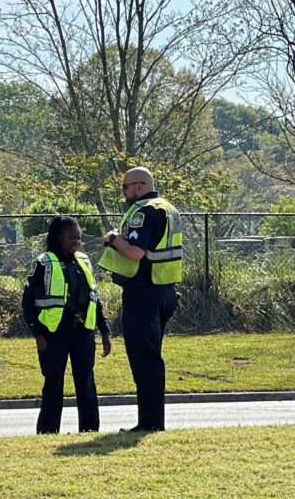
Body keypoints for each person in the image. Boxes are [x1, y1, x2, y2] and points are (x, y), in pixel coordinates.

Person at [98, 167, 182, 432]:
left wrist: (113, 238)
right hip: (165, 289)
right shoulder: (169, 208)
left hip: (144, 293)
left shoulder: (143, 211)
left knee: (144, 360)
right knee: (152, 357)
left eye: (124, 188)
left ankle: (149, 423)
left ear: (138, 186)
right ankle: (152, 420)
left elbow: (135, 252)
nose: (123, 193)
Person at [22, 215, 112, 434]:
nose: (77, 242)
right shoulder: (43, 263)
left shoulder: (83, 261)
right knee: (53, 384)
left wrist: (105, 331)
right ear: (59, 237)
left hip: (83, 333)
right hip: (53, 335)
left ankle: (90, 430)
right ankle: (47, 432)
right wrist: (38, 335)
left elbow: (94, 298)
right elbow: (27, 303)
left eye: (79, 238)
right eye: (72, 238)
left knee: (86, 383)